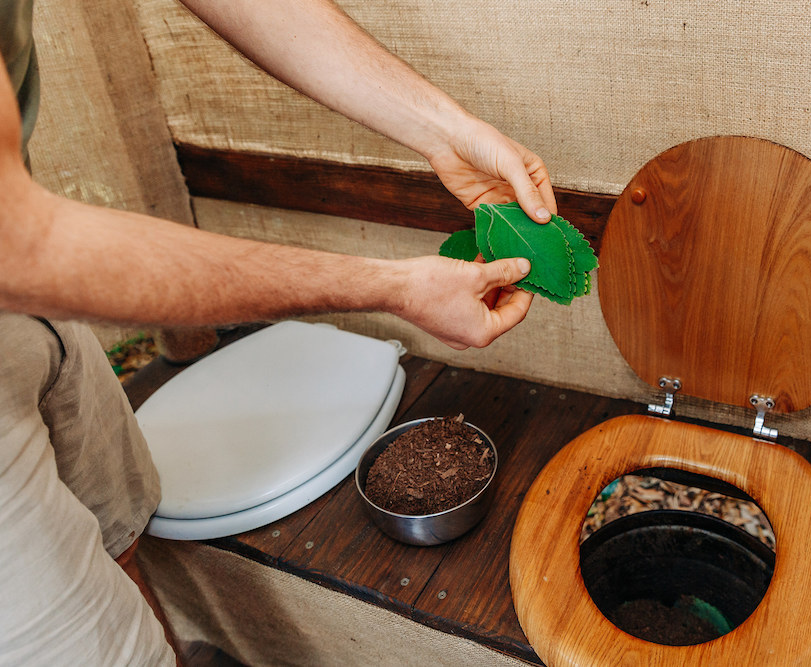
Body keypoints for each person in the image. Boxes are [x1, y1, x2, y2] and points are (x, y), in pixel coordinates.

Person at [0, 0, 557, 663]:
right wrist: (395, 287)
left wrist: (445, 129)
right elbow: (22, 248)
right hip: (22, 256)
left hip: (35, 293)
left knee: (118, 520)